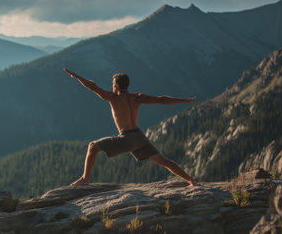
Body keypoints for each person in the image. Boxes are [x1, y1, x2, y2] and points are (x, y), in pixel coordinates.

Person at [63, 68, 197, 187]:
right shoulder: (137, 97)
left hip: (127, 138)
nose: (112, 85)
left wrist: (77, 77)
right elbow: (162, 99)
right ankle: (190, 180)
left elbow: (93, 86)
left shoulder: (113, 98)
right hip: (140, 137)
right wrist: (183, 100)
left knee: (93, 146)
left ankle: (85, 179)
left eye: (113, 83)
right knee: (164, 161)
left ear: (116, 85)